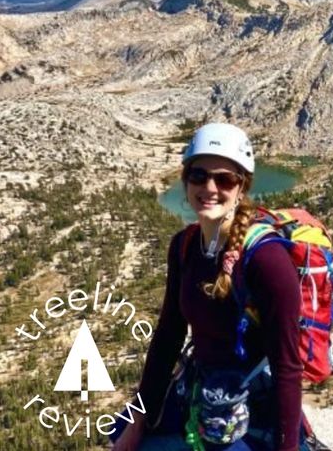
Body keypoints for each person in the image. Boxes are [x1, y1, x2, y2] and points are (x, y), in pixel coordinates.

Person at [111, 122, 306, 451]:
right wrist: (140, 418)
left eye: (225, 179)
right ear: (186, 180)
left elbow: (287, 364)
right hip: (203, 385)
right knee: (120, 432)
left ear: (242, 187)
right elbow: (169, 335)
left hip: (253, 401)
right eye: (199, 176)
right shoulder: (184, 246)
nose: (210, 187)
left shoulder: (267, 259)